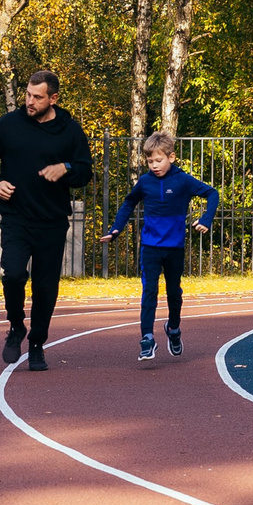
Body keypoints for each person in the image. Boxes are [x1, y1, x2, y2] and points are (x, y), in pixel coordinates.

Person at [0, 70, 92, 370]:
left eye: (37, 97)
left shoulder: (70, 130)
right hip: (16, 217)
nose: (29, 101)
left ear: (53, 98)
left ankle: (37, 343)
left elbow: (85, 171)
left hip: (52, 221)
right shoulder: (8, 125)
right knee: (13, 274)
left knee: (45, 287)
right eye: (27, 94)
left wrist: (65, 167)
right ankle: (16, 326)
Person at [101, 131, 218, 364]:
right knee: (149, 292)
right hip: (150, 247)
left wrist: (206, 219)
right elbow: (129, 203)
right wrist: (116, 229)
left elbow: (211, 193)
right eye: (150, 161)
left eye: (158, 160)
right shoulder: (145, 182)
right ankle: (146, 339)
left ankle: (173, 329)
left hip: (174, 247)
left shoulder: (182, 180)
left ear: (171, 157)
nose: (154, 165)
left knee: (174, 293)